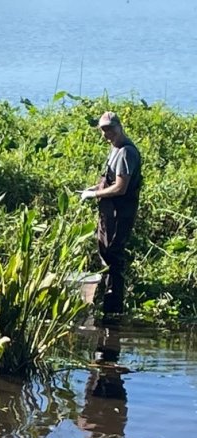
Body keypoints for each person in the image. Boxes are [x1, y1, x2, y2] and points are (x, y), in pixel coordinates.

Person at [80, 111, 142, 315]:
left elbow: (120, 188)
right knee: (105, 254)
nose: (107, 134)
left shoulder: (126, 152)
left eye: (110, 129)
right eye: (103, 130)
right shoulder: (114, 148)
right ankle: (106, 303)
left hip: (119, 214)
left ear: (120, 127)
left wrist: (95, 194)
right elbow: (109, 180)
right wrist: (92, 189)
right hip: (109, 214)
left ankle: (113, 310)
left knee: (113, 257)